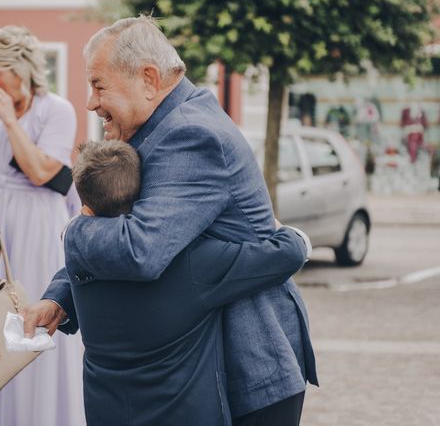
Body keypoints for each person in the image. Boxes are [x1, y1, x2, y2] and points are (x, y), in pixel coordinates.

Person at [25, 15, 318, 426]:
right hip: (197, 366)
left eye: (98, 85)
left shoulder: (190, 135)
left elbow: (139, 249)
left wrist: (75, 229)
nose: (91, 101)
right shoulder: (161, 126)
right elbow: (122, 225)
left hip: (247, 361)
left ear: (148, 78)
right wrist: (60, 297)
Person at [67, 140, 309, 425]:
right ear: (145, 198)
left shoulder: (76, 244)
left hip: (107, 413)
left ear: (86, 211)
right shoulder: (194, 263)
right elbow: (288, 254)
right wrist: (280, 229)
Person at [0, 26, 85, 426]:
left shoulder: (56, 110)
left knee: (33, 313)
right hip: (0, 219)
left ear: (20, 71)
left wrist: (10, 120)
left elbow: (39, 171)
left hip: (38, 220)